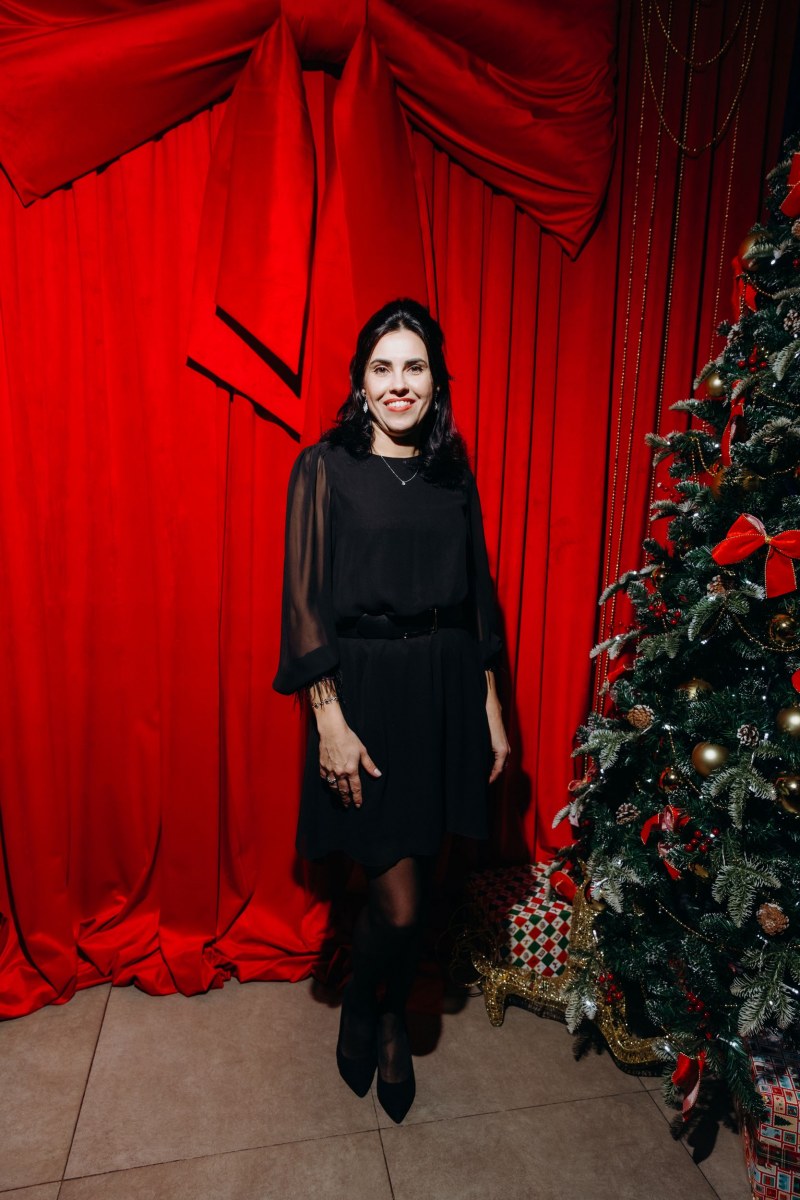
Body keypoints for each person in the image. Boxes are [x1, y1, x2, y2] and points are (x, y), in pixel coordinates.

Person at [273, 298, 510, 1123]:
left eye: (415, 368)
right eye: (383, 368)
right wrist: (328, 720)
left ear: (436, 382)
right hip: (364, 695)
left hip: (443, 690)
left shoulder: (451, 474)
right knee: (397, 900)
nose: (399, 384)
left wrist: (490, 707)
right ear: (361, 381)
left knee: (426, 888)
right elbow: (304, 604)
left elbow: (477, 598)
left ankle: (392, 1018)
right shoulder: (325, 466)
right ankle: (363, 1005)